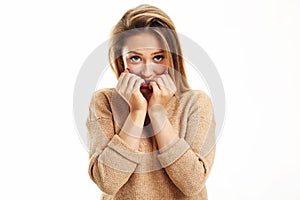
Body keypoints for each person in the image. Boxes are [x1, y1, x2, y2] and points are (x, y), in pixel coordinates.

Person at [86, 4, 216, 200]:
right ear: (122, 61)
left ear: (172, 57)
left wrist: (157, 112)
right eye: (136, 58)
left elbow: (193, 183)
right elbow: (107, 183)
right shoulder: (103, 102)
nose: (147, 72)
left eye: (158, 57)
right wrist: (137, 113)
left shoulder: (196, 103)